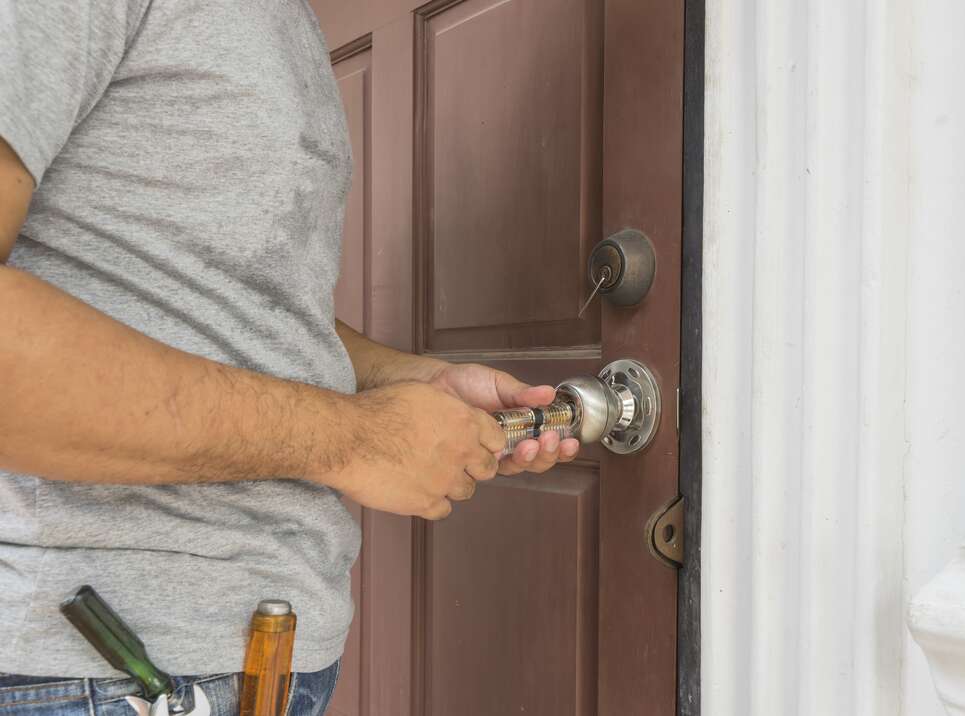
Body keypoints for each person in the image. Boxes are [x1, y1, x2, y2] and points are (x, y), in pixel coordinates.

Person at [0, 2, 579, 714]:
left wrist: (407, 381)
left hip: (250, 666)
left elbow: (224, 306)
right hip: (97, 671)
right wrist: (362, 439)